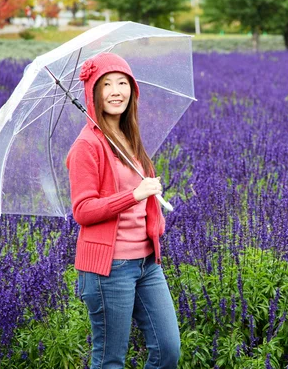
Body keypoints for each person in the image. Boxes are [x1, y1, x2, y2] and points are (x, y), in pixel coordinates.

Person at [66, 52, 181, 369]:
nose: (116, 91)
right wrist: (134, 194)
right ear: (93, 92)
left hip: (146, 263)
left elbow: (139, 199)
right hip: (108, 268)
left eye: (122, 82)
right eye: (106, 84)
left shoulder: (130, 137)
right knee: (109, 360)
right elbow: (83, 210)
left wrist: (151, 205)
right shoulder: (86, 146)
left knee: (168, 349)